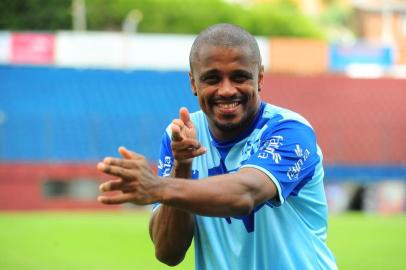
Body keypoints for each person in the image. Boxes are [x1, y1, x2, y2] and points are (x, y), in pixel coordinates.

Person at [97, 23, 337, 270]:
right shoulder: (180, 136)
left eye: (239, 77)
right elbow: (168, 252)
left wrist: (159, 186)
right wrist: (182, 168)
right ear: (193, 83)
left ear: (260, 78)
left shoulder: (290, 130)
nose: (226, 90)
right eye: (212, 79)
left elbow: (246, 194)